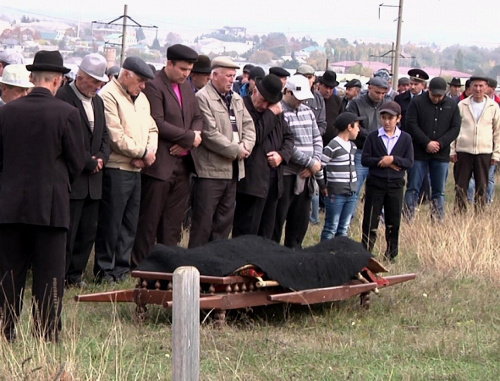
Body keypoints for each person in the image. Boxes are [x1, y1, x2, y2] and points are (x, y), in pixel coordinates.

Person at [0, 50, 85, 342]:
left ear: (32, 79)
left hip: (8, 207)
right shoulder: (67, 114)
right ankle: (46, 335)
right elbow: (77, 162)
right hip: (50, 208)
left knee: (8, 276)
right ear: (59, 81)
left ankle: (3, 331)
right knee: (49, 278)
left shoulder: (6, 112)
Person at [130, 45, 203, 269]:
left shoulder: (187, 88)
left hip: (183, 164)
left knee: (173, 221)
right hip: (159, 165)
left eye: (189, 70)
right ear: (169, 63)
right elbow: (157, 122)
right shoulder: (154, 85)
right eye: (182, 69)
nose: (186, 74)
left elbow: (198, 117)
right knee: (149, 220)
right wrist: (189, 137)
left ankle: (168, 265)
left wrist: (188, 141)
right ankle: (141, 265)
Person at [94, 57, 158, 283]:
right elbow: (115, 136)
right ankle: (104, 271)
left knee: (130, 222)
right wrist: (141, 153)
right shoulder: (108, 95)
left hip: (136, 170)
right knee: (111, 222)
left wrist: (149, 153)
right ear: (127, 74)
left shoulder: (142, 99)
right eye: (140, 81)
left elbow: (153, 128)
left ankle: (121, 268)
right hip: (116, 168)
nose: (143, 87)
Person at [56, 53, 110, 287]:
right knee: (68, 231)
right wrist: (87, 161)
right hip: (73, 178)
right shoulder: (63, 97)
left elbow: (105, 135)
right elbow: (66, 139)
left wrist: (102, 158)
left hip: (94, 181)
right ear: (81, 76)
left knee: (87, 231)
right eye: (95, 82)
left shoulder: (98, 101)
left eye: (101, 83)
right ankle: (60, 274)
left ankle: (75, 275)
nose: (99, 87)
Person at [189, 56, 256, 248]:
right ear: (214, 75)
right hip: (210, 171)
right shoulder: (202, 98)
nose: (231, 80)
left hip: (233, 170)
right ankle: (195, 266)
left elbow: (249, 126)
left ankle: (215, 266)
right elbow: (209, 134)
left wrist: (246, 147)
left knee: (224, 223)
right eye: (228, 76)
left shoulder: (236, 98)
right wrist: (237, 150)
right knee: (203, 223)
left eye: (234, 76)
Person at [233, 74, 294, 238]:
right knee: (247, 232)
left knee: (267, 233)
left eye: (270, 102)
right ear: (255, 91)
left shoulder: (275, 112)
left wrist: (281, 155)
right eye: (263, 99)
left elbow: (289, 137)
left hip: (274, 182)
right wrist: (270, 115)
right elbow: (255, 135)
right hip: (252, 182)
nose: (265, 105)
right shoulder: (243, 106)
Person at [273, 75, 323, 249]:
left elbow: (317, 138)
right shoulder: (279, 111)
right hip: (287, 174)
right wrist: (310, 162)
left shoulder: (308, 112)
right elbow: (286, 145)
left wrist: (315, 162)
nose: (301, 101)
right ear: (288, 92)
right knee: (278, 219)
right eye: (298, 97)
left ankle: (294, 253)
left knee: (299, 222)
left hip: (307, 175)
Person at [361, 101, 413, 262]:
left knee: (393, 220)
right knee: (370, 220)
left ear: (398, 119)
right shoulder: (373, 136)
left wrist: (394, 159)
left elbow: (409, 161)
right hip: (376, 183)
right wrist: (383, 161)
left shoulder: (405, 138)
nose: (387, 122)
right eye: (383, 118)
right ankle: (366, 253)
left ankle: (391, 254)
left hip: (395, 185)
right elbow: (365, 159)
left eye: (390, 118)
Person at [404, 77, 460, 221]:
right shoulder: (417, 102)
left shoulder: (452, 105)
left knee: (439, 191)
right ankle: (408, 218)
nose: (436, 98)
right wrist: (426, 142)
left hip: (441, 155)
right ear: (429, 90)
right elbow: (411, 124)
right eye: (434, 95)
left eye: (439, 96)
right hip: (419, 153)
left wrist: (440, 143)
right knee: (413, 188)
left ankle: (437, 220)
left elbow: (455, 128)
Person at [451, 76, 500, 211]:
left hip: (484, 152)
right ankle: (459, 214)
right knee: (461, 186)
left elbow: (497, 132)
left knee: (482, 186)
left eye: (481, 86)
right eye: (475, 86)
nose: (478, 89)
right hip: (464, 151)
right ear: (470, 87)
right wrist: (452, 150)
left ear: (487, 87)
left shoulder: (493, 106)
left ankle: (480, 214)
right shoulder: (462, 105)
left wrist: (496, 154)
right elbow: (454, 128)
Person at [346, 76, 390, 208]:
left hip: (381, 151)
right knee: (355, 187)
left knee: (382, 188)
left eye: (383, 93)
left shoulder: (387, 104)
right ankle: (349, 218)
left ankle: (378, 218)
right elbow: (353, 125)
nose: (380, 96)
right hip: (361, 150)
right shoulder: (356, 103)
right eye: (377, 92)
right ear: (369, 87)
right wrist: (373, 137)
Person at [316, 112, 361, 240]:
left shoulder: (352, 146)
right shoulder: (333, 146)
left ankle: (339, 255)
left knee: (344, 228)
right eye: (357, 126)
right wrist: (322, 185)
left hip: (351, 192)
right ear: (349, 127)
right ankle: (325, 253)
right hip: (336, 193)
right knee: (331, 227)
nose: (359, 130)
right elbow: (319, 167)